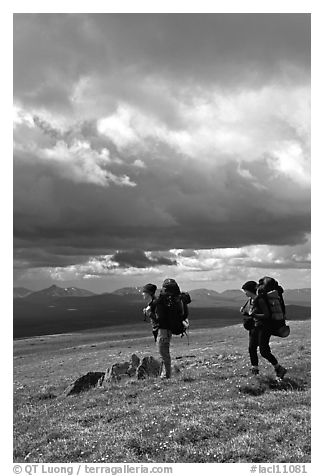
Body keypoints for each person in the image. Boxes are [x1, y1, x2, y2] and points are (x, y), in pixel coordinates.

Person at [240, 280, 287, 379]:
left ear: (250, 290)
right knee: (251, 348)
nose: (245, 293)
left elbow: (267, 315)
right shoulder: (250, 301)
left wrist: (254, 314)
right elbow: (250, 312)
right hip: (254, 327)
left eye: (245, 291)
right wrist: (245, 311)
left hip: (264, 327)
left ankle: (279, 368)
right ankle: (255, 370)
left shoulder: (260, 300)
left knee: (264, 351)